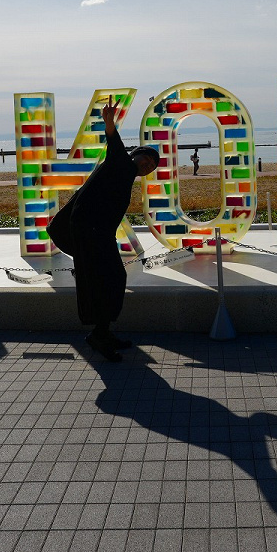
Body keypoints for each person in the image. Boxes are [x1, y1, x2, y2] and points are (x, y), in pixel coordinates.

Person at [47, 97, 159, 362]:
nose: (148, 165)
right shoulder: (121, 163)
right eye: (147, 158)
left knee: (108, 280)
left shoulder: (125, 173)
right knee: (107, 279)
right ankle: (99, 335)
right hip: (89, 232)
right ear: (136, 155)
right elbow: (116, 146)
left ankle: (102, 332)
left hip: (96, 233)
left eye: (153, 166)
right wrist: (109, 123)